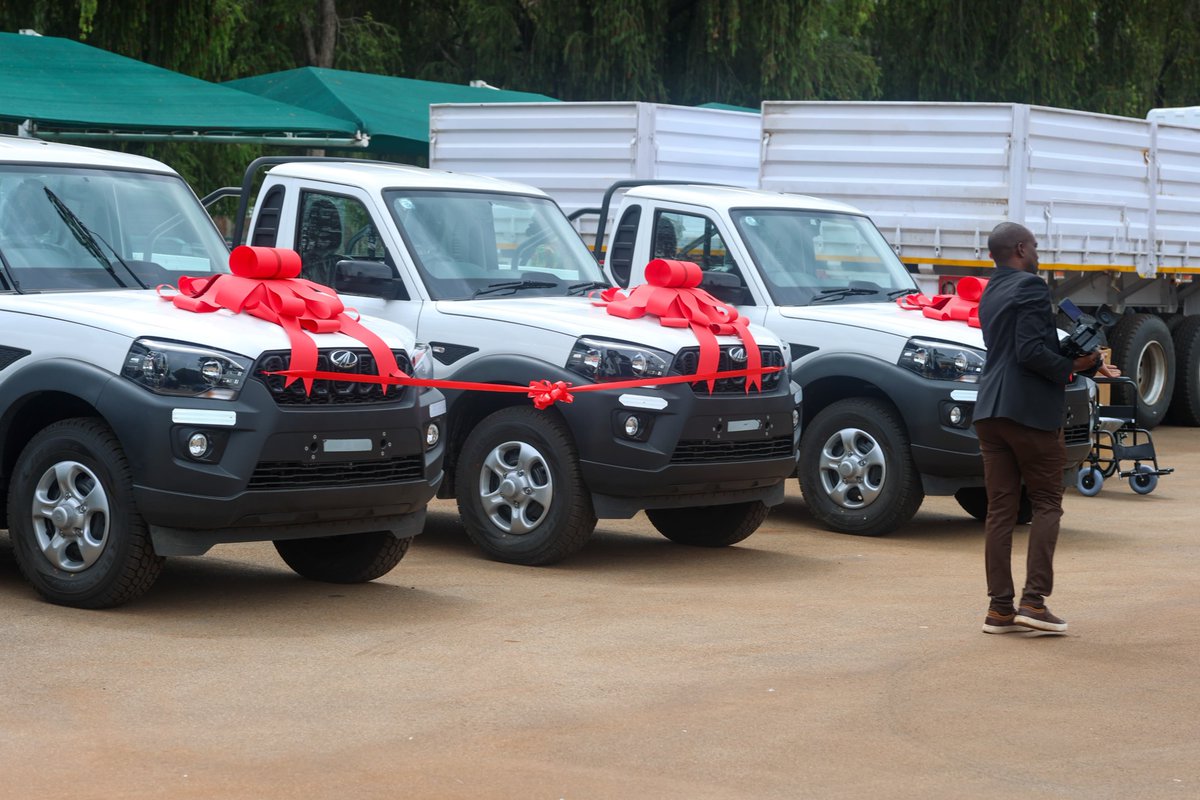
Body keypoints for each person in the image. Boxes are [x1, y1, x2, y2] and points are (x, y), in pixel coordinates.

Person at [973, 222, 1119, 635]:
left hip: (990, 411)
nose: (1038, 252)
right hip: (1029, 412)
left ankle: (1000, 609)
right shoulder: (1032, 287)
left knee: (1000, 511)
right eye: (1035, 246)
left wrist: (1078, 357)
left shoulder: (992, 290)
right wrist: (1078, 366)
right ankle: (1033, 603)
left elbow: (1015, 347)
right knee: (1046, 504)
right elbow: (1031, 353)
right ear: (1021, 248)